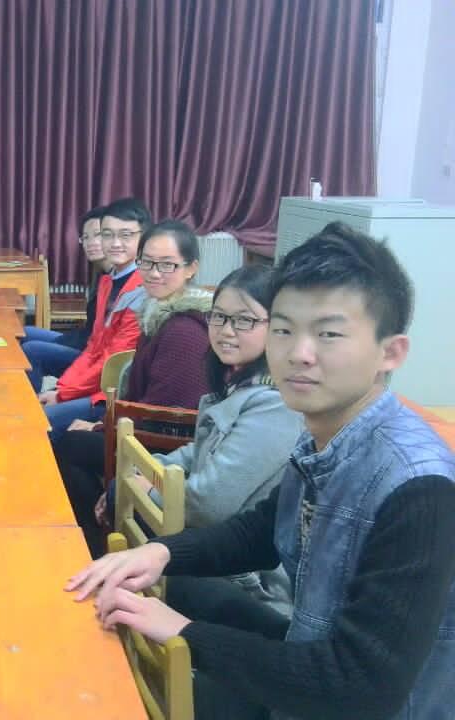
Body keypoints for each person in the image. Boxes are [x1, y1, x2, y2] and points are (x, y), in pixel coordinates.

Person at [67, 223, 455, 720]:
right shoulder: (324, 432)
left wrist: (185, 633)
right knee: (143, 601)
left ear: (390, 353)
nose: (298, 354)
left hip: (357, 701)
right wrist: (161, 552)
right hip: (310, 650)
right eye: (284, 330)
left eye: (329, 334)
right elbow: (263, 529)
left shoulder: (420, 489)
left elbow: (359, 687)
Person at [63, 266, 302, 614]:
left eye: (245, 321)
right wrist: (137, 477)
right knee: (105, 483)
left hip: (241, 573)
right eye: (219, 317)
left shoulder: (274, 406)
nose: (227, 331)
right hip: (201, 533)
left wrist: (138, 487)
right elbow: (197, 452)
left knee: (104, 491)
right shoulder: (233, 382)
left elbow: (208, 505)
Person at [47, 218, 211, 446]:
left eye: (167, 265)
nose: (154, 273)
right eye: (147, 262)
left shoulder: (183, 331)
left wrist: (102, 428)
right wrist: (102, 422)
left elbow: (159, 415)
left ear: (191, 268)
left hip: (159, 448)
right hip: (134, 422)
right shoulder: (154, 312)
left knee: (68, 441)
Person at [35, 198, 151, 440]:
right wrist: (62, 389)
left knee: (42, 422)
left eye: (126, 235)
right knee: (38, 410)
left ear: (144, 237)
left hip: (116, 394)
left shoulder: (143, 289)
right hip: (100, 383)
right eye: (107, 235)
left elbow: (112, 362)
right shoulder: (109, 281)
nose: (115, 243)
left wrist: (63, 395)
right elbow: (93, 348)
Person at [22, 205, 111, 384]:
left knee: (32, 350)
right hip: (79, 340)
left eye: (98, 235)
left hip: (89, 353)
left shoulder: (117, 279)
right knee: (24, 332)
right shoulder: (101, 273)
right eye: (85, 237)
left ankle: (31, 400)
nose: (91, 243)